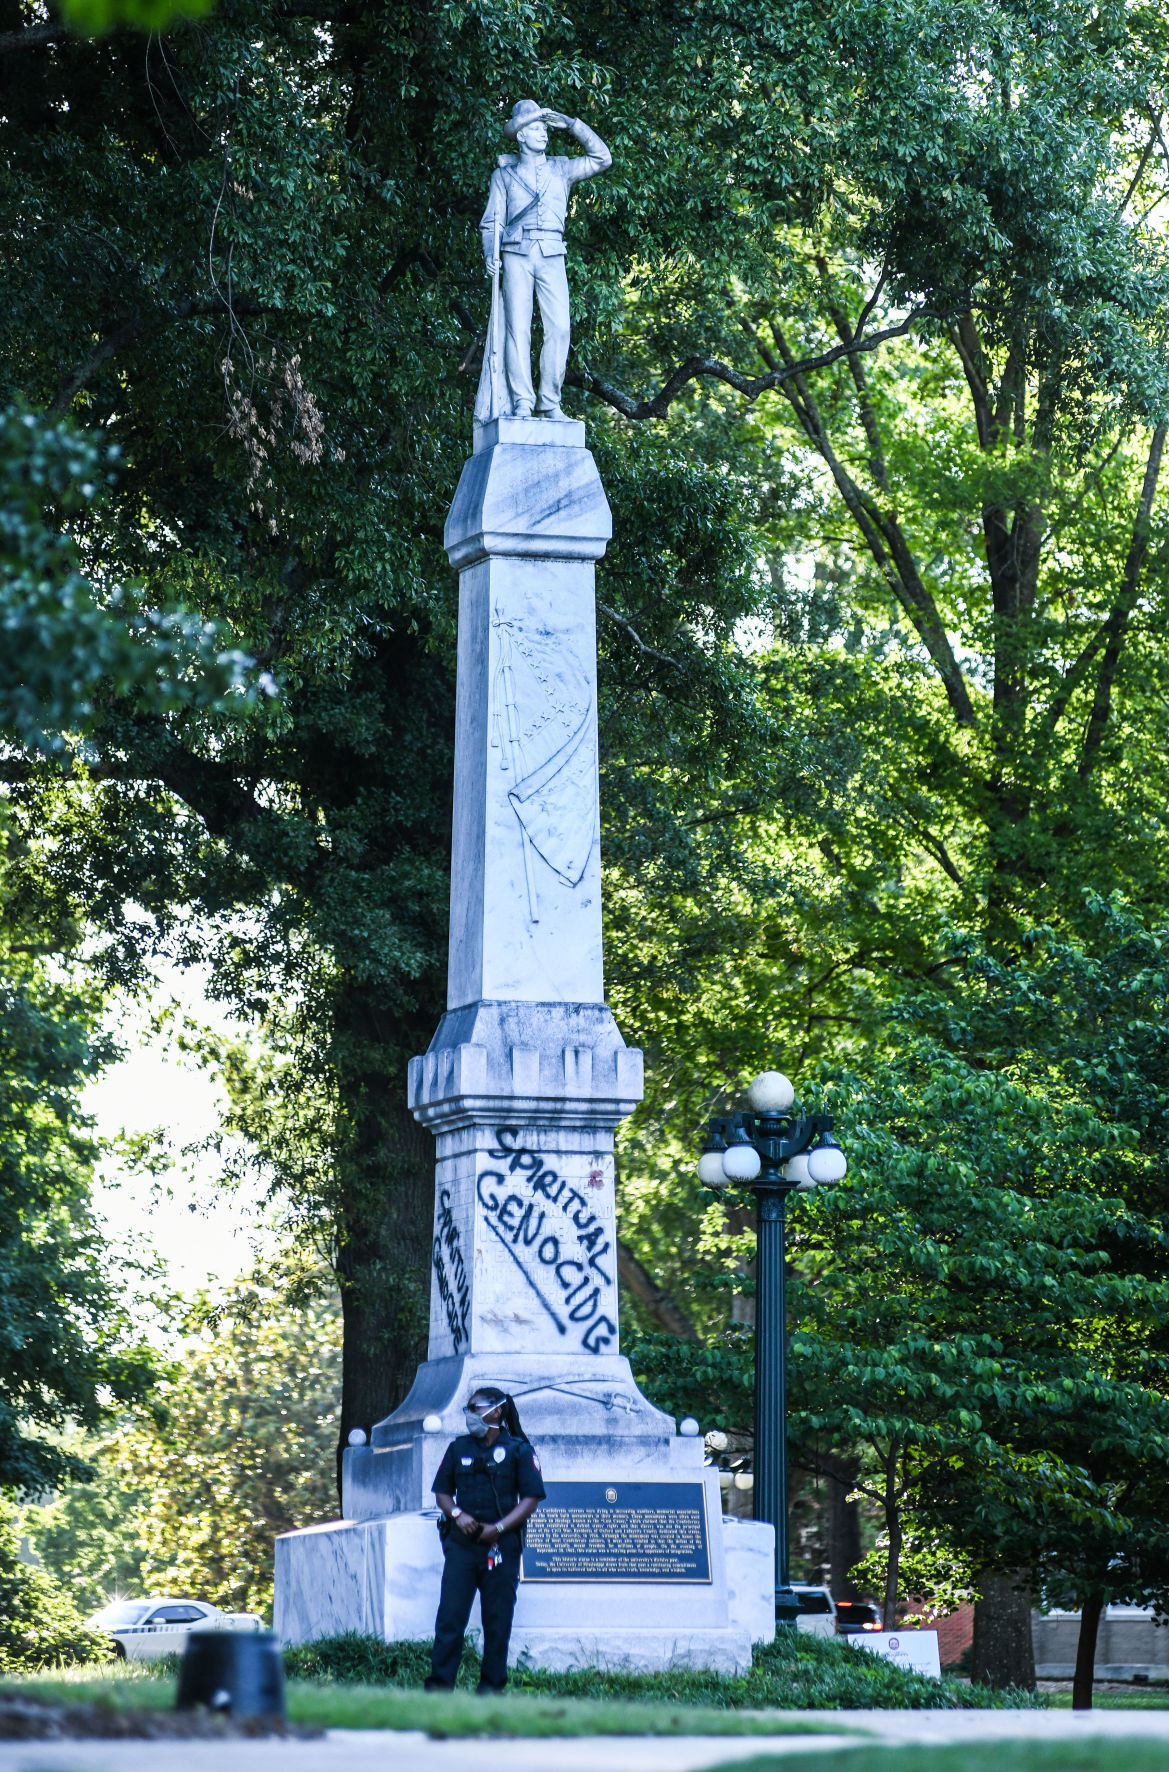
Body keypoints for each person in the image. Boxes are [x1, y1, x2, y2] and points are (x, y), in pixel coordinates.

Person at [479, 99, 612, 419]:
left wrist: (572, 124)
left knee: (560, 329)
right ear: (521, 136)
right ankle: (523, 401)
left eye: (544, 128)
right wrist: (489, 252)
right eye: (536, 128)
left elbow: (602, 158)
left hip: (552, 253)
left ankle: (550, 402)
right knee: (517, 330)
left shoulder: (562, 168)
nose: (543, 134)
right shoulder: (504, 176)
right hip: (516, 254)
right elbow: (491, 222)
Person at [424, 1386, 546, 1693]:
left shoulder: (520, 1450)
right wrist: (457, 1515)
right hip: (462, 1546)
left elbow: (530, 1499)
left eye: (475, 1409)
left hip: (501, 1546)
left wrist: (500, 1529)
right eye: (469, 1409)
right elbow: (442, 1493)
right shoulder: (458, 1448)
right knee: (450, 1618)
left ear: (496, 1412)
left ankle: (490, 1689)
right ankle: (439, 1688)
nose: (470, 1416)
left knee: (497, 1621)